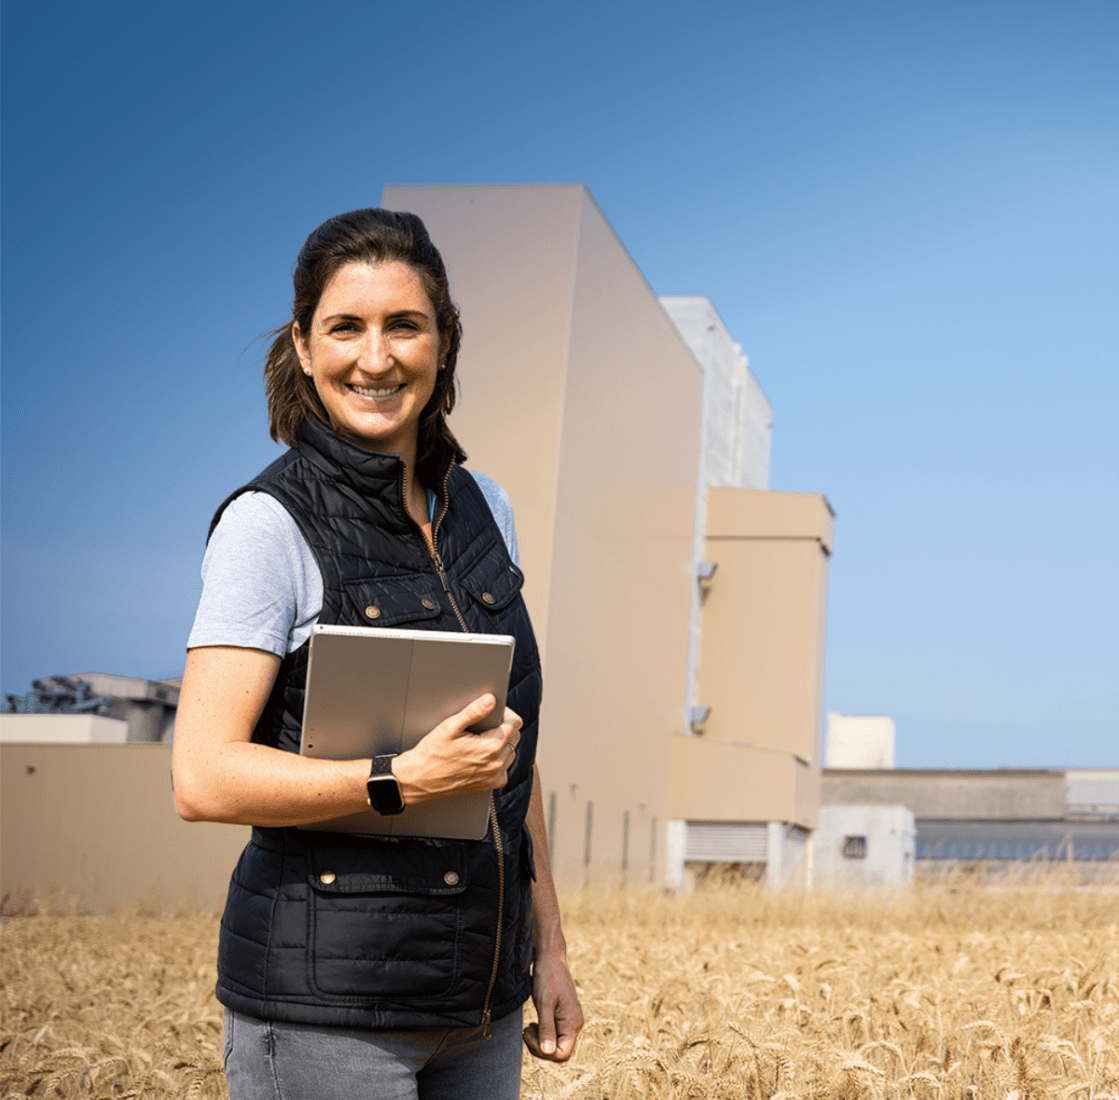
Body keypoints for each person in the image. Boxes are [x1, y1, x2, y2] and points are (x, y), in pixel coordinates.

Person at [172, 208, 583, 1100]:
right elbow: (203, 778)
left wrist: (545, 949)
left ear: (443, 341)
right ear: (304, 343)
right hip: (327, 1013)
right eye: (345, 327)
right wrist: (397, 779)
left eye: (404, 324)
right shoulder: (267, 525)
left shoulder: (484, 509)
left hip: (478, 1008)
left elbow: (506, 753)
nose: (376, 356)